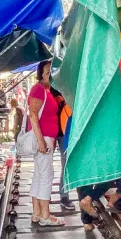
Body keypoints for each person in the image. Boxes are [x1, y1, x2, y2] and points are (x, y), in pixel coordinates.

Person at [76, 123, 121, 231]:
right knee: (105, 181)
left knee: (84, 184)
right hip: (96, 154)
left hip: (82, 153)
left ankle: (87, 221)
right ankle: (88, 200)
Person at [26, 60, 64, 226]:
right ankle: (45, 215)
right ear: (40, 74)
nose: (50, 74)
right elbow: (33, 115)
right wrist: (41, 141)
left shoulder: (48, 91)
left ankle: (36, 212)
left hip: (46, 137)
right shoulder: (39, 89)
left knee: (40, 175)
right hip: (42, 138)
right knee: (46, 175)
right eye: (47, 71)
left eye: (52, 71)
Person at [53, 85, 76, 212]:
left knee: (65, 165)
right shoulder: (48, 89)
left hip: (62, 133)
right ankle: (44, 200)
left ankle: (64, 195)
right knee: (45, 170)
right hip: (53, 133)